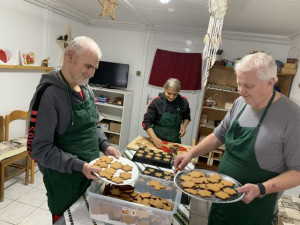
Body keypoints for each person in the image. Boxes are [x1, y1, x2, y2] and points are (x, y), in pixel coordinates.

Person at [175, 52, 300, 225]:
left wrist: (261, 189)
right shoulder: (240, 103)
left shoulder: (292, 116)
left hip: (255, 207)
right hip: (223, 196)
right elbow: (219, 135)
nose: (241, 91)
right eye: (239, 84)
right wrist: (191, 153)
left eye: (248, 86)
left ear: (270, 82)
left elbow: (297, 172)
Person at [27, 36, 121, 224]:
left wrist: (105, 145)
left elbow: (92, 126)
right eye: (88, 66)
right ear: (70, 56)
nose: (92, 73)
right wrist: (80, 166)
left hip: (90, 176)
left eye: (95, 68)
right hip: (64, 182)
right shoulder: (48, 94)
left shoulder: (87, 90)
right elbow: (38, 149)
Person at [142, 78, 191, 148]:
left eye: (175, 94)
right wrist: (154, 138)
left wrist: (184, 126)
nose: (171, 97)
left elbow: (187, 117)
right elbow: (146, 123)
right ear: (164, 88)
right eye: (169, 93)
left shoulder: (183, 102)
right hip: (156, 142)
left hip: (174, 143)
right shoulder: (156, 102)